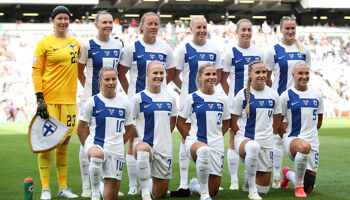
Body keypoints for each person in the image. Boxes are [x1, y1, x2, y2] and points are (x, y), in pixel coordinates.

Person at [118, 12, 175, 195]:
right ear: (141, 26)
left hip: (159, 102)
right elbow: (121, 72)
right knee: (134, 141)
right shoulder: (131, 48)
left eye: (156, 24)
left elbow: (171, 72)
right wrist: (131, 93)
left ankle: (150, 183)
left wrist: (162, 91)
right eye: (149, 23)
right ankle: (135, 185)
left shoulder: (165, 48)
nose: (153, 27)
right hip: (139, 102)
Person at [32, 6, 80, 200]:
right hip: (49, 101)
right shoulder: (43, 44)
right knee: (46, 144)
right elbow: (36, 71)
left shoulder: (75, 43)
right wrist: (39, 97)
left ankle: (63, 187)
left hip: (68, 101)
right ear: (53, 20)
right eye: (59, 18)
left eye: (66, 19)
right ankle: (45, 189)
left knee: (64, 143)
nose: (63, 22)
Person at [172, 16, 222, 196]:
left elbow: (219, 75)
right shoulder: (183, 48)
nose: (201, 30)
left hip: (209, 100)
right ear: (191, 29)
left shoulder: (215, 49)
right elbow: (175, 75)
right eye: (198, 27)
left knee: (210, 135)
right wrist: (187, 90)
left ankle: (204, 180)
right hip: (190, 101)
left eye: (204, 27)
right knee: (186, 138)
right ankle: (183, 184)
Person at [77, 10, 124, 197]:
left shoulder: (118, 45)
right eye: (104, 22)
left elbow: (118, 71)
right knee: (86, 141)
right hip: (90, 99)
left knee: (110, 140)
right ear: (96, 24)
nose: (108, 25)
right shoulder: (87, 45)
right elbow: (79, 71)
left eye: (110, 22)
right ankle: (86, 186)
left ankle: (108, 184)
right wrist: (90, 92)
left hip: (111, 100)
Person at [265, 16, 311, 188]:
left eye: (293, 28)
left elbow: (306, 75)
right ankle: (277, 176)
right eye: (287, 28)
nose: (290, 32)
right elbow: (267, 78)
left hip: (298, 102)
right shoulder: (274, 50)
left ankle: (293, 175)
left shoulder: (304, 50)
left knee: (299, 136)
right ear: (281, 30)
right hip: (279, 101)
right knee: (277, 137)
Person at [77, 67, 136, 200]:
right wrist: (88, 147)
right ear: (100, 81)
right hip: (96, 145)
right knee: (97, 154)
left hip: (116, 151)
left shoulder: (124, 103)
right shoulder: (92, 102)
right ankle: (95, 194)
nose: (111, 82)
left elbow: (130, 129)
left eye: (113, 79)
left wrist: (120, 143)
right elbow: (80, 129)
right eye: (107, 79)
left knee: (110, 197)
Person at [221, 18, 265, 191]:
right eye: (243, 30)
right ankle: (233, 180)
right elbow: (223, 79)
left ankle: (249, 176)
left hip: (255, 104)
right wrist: (233, 98)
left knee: (253, 137)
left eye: (249, 30)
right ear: (237, 32)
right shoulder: (230, 53)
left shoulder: (259, 52)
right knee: (233, 138)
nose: (246, 33)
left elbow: (263, 76)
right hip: (237, 103)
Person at [177, 64, 230, 200]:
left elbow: (227, 122)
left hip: (216, 144)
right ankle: (204, 196)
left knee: (214, 191)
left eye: (214, 74)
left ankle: (195, 186)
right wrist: (190, 139)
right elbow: (180, 122)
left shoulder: (222, 98)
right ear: (200, 76)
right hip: (196, 142)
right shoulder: (191, 98)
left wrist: (217, 136)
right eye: (208, 74)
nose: (212, 77)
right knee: (203, 150)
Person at [230, 61, 281, 200]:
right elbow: (233, 119)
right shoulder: (242, 94)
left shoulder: (273, 95)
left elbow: (278, 118)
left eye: (264, 72)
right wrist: (240, 135)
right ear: (250, 74)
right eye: (257, 72)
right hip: (245, 141)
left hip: (266, 142)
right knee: (253, 146)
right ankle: (252, 191)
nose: (261, 75)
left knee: (264, 190)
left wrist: (269, 133)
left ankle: (249, 176)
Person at [131, 61, 177, 200]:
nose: (158, 76)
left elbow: (172, 122)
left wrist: (162, 137)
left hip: (164, 147)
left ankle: (146, 183)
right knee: (143, 150)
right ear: (147, 75)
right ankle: (145, 192)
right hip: (144, 145)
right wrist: (136, 143)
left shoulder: (170, 98)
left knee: (160, 195)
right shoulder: (138, 98)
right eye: (155, 73)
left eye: (161, 73)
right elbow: (130, 124)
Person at [279, 62, 323, 197]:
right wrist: (286, 140)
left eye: (306, 73)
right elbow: (279, 123)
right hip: (293, 139)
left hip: (313, 142)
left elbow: (319, 120)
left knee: (309, 186)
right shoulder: (286, 96)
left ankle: (287, 174)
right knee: (304, 147)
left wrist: (310, 134)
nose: (304, 76)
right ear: (293, 75)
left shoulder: (317, 94)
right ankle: (298, 187)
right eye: (300, 73)